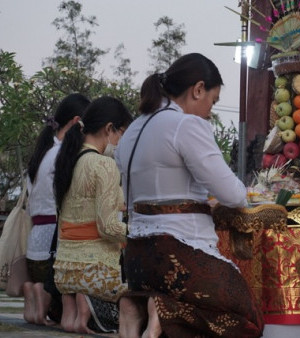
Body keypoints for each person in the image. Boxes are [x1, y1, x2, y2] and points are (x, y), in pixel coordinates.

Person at [115, 53, 264, 338]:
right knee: (247, 317)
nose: (211, 110)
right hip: (175, 254)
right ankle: (164, 308)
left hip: (136, 259)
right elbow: (233, 195)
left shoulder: (133, 129)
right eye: (213, 99)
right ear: (198, 89)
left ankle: (138, 306)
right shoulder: (186, 125)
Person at [53, 96, 133, 334]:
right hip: (95, 273)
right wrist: (140, 233)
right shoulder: (103, 165)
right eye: (121, 134)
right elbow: (108, 227)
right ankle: (90, 308)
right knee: (142, 302)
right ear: (109, 129)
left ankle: (75, 312)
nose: (120, 143)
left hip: (64, 272)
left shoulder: (68, 160)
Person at [24, 93, 90, 326]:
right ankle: (42, 298)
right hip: (54, 248)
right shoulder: (65, 155)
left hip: (34, 247)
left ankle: (35, 295)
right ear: (76, 122)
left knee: (45, 283)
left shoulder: (42, 153)